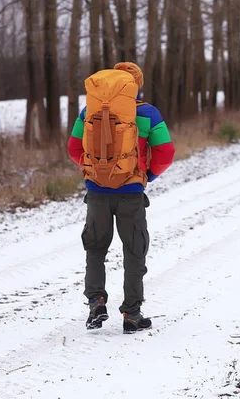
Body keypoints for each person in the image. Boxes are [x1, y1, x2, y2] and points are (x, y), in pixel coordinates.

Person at [67, 62, 175, 333]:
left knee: (95, 247)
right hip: (131, 194)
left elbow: (73, 147)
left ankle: (96, 302)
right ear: (136, 86)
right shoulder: (148, 113)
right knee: (134, 251)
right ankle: (131, 314)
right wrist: (146, 175)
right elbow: (165, 152)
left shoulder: (89, 111)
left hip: (97, 193)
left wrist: (93, 170)